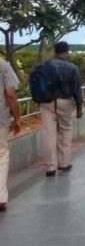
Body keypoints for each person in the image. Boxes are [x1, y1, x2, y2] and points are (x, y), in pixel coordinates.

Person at [42, 41, 84, 176]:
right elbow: (77, 90)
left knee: (49, 135)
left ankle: (50, 167)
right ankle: (64, 163)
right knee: (65, 132)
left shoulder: (44, 66)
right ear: (67, 51)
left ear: (55, 51)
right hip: (65, 102)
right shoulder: (72, 68)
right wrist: (79, 108)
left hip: (46, 102)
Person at [0, 58, 21, 212]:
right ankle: (0, 197)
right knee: (1, 155)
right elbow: (10, 94)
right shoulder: (3, 65)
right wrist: (17, 118)